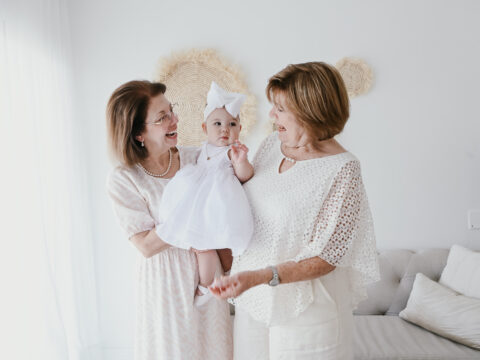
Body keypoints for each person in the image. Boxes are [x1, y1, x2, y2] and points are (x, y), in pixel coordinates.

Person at [210, 62, 380, 360]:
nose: (272, 115)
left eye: (280, 109)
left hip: (308, 311)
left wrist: (260, 276)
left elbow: (327, 257)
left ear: (310, 111)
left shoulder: (343, 169)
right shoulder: (271, 144)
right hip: (255, 301)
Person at [106, 80, 232, 359]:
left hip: (207, 275)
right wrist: (191, 214)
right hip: (165, 283)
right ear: (138, 133)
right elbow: (146, 246)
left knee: (215, 349)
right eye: (162, 118)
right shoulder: (125, 179)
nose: (175, 120)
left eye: (171, 111)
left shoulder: (196, 158)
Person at [156, 81, 254, 303]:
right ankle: (207, 284)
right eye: (217, 123)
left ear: (239, 130)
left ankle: (207, 285)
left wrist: (241, 161)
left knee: (212, 245)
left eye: (232, 124)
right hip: (198, 203)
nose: (224, 129)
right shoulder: (200, 150)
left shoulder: (232, 152)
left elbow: (245, 175)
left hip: (218, 205)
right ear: (204, 128)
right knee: (201, 245)